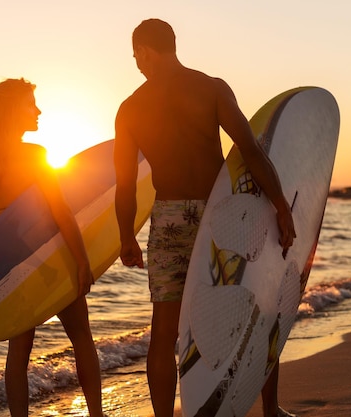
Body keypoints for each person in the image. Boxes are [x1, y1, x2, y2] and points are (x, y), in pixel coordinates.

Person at [113, 19, 297, 417]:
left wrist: (126, 237)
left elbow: (124, 187)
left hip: (169, 218)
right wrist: (281, 204)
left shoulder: (130, 109)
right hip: (221, 215)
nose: (137, 65)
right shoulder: (210, 87)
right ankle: (271, 410)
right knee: (255, 306)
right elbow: (250, 150)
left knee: (163, 330)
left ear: (145, 50)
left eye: (136, 56)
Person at [0, 78, 105, 417]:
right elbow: (60, 212)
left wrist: (3, 271)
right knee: (81, 338)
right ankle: (97, 415)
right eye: (31, 103)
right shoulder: (35, 155)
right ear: (15, 110)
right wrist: (82, 261)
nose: (38, 110)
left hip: (16, 268)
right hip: (53, 255)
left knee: (19, 355)